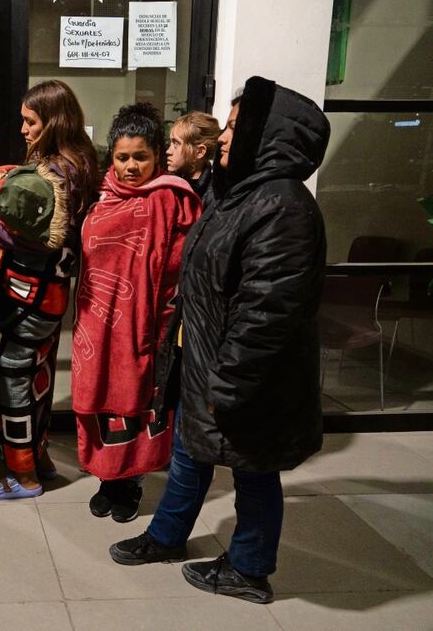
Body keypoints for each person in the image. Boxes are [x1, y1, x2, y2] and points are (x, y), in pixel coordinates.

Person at [109, 76, 330, 604]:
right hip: (206, 358)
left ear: (265, 133)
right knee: (189, 451)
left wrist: (227, 381)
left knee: (254, 469)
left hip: (244, 374)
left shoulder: (281, 206)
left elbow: (267, 313)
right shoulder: (241, 193)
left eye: (234, 125)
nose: (224, 136)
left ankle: (249, 570)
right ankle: (167, 536)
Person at [0, 79, 100, 500]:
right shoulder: (82, 164)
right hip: (51, 294)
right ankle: (38, 458)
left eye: (31, 122)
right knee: (35, 377)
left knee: (12, 379)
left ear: (54, 121)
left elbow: (25, 239)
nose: (23, 130)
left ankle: (23, 474)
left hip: (25, 295)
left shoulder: (52, 174)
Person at [72, 103, 201, 523]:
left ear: (157, 154)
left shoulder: (171, 198)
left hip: (146, 322)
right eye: (122, 157)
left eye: (140, 157)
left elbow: (182, 261)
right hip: (97, 323)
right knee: (103, 400)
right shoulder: (101, 196)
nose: (130, 167)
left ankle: (132, 483)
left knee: (139, 404)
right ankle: (108, 480)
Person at [166, 111, 220, 199]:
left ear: (199, 152)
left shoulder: (215, 194)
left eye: (176, 144)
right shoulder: (167, 184)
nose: (168, 151)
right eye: (170, 143)